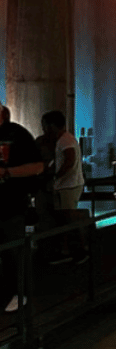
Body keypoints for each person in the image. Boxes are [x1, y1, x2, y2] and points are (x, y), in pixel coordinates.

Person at [0, 105, 44, 312]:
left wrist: (7, 172)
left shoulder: (17, 134)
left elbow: (38, 166)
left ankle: (19, 293)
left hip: (11, 205)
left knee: (14, 251)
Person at [42, 111, 88, 265]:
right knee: (66, 219)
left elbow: (69, 160)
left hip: (68, 186)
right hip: (69, 185)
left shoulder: (64, 140)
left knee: (68, 219)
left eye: (45, 125)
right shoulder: (66, 138)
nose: (44, 129)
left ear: (52, 125)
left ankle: (79, 250)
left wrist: (56, 176)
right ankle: (66, 250)